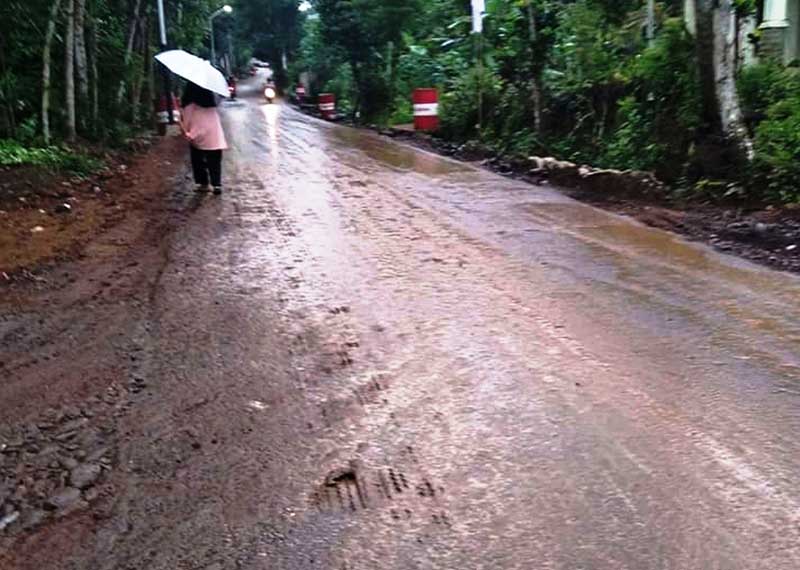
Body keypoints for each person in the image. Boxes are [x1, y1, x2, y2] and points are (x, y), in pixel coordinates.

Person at [180, 82, 228, 195]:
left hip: (197, 135)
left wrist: (186, 131)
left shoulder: (190, 105)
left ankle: (203, 183)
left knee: (198, 159)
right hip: (214, 135)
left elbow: (186, 121)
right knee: (215, 160)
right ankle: (216, 184)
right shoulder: (211, 103)